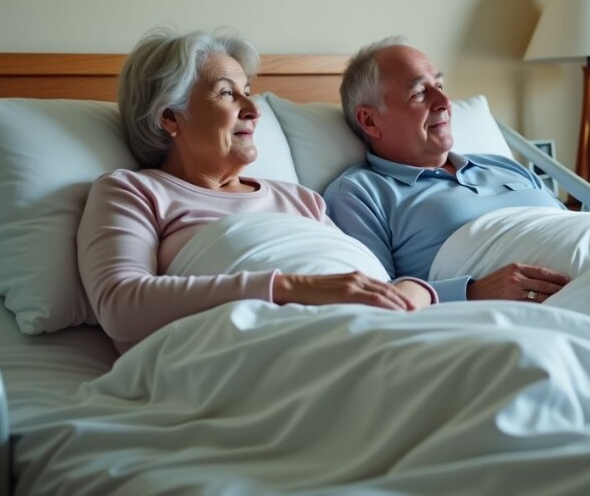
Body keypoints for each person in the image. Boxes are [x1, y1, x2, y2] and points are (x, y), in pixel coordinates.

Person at [77, 29, 434, 353]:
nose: (252, 110)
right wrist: (291, 287)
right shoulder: (133, 191)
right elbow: (119, 307)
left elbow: (367, 282)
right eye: (227, 94)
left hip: (384, 325)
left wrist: (415, 293)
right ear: (169, 116)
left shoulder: (300, 199)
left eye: (248, 93)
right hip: (273, 344)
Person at [324, 36, 590, 304]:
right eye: (419, 93)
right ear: (369, 120)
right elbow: (376, 297)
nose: (445, 102)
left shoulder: (503, 165)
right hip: (575, 299)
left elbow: (567, 228)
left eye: (441, 86)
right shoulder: (361, 192)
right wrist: (472, 292)